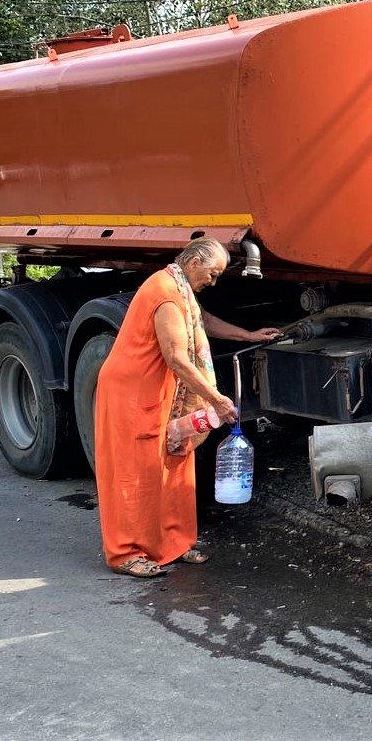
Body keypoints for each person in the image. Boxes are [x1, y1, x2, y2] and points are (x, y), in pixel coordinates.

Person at [95, 237, 281, 579]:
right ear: (194, 262)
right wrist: (215, 398)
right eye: (212, 274)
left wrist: (249, 336)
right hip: (134, 392)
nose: (213, 281)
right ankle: (125, 552)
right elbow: (177, 359)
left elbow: (203, 320)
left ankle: (172, 544)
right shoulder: (165, 292)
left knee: (175, 464)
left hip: (163, 390)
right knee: (135, 473)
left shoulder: (178, 286)